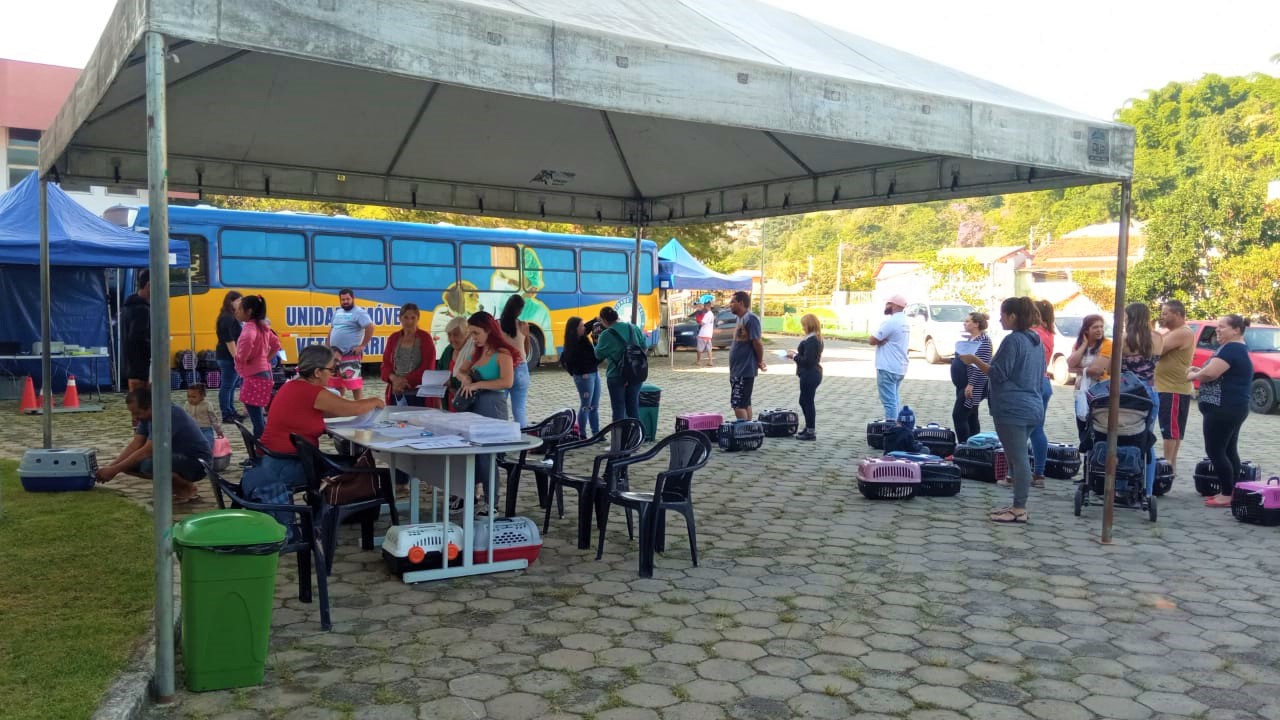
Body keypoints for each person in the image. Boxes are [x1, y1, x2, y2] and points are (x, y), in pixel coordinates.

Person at [242, 345, 385, 525]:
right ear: (317, 372)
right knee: (356, 467)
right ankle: (337, 515)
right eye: (331, 369)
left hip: (274, 458)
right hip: (286, 464)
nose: (333, 374)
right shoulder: (312, 392)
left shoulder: (292, 385)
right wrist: (375, 401)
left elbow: (323, 412)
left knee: (350, 463)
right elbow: (350, 408)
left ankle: (334, 513)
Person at [960, 297, 1045, 524]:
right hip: (1033, 405)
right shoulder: (1035, 340)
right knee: (1016, 456)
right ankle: (1017, 503)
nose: (1000, 319)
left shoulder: (1013, 340)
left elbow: (998, 373)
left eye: (1003, 315)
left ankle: (1019, 508)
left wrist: (974, 360)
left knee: (1018, 459)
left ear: (1013, 316)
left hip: (1012, 408)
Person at [453, 311, 521, 514]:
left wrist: (478, 384)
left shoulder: (503, 353)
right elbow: (460, 370)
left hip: (493, 408)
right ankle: (469, 495)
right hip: (474, 407)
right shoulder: (477, 351)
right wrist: (465, 378)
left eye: (476, 333)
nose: (473, 338)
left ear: (489, 330)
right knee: (472, 454)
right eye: (471, 333)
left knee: (487, 458)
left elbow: (507, 382)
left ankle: (492, 504)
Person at [96, 388, 211, 504]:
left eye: (137, 413)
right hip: (175, 457)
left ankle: (185, 488)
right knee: (128, 465)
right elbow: (136, 443)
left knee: (149, 464)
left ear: (151, 407)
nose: (135, 417)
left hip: (197, 462)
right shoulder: (147, 417)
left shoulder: (168, 414)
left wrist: (114, 470)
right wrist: (111, 467)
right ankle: (177, 485)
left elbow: (148, 450)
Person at [1188, 315, 1254, 509]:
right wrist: (1200, 370)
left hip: (1223, 408)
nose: (1217, 330)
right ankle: (1231, 491)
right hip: (1232, 407)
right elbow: (1217, 371)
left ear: (1236, 330)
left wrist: (1193, 375)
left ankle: (1226, 494)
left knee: (1215, 450)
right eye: (1217, 327)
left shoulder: (1232, 348)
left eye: (1222, 327)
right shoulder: (1235, 348)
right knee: (1228, 450)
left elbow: (1211, 373)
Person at [1121, 302, 1164, 493]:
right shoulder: (1158, 338)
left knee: (1122, 438)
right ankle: (1147, 490)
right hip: (1150, 393)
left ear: (1130, 317)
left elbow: (1114, 369)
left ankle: (1121, 486)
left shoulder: (1124, 339)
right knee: (1146, 440)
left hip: (1128, 394)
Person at [1155, 300, 1194, 473]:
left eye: (1165, 313)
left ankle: (1167, 465)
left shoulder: (1182, 332)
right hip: (1170, 388)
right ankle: (1171, 465)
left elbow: (1156, 349)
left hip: (1172, 389)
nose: (1162, 317)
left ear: (1177, 314)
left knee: (1170, 431)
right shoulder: (1173, 332)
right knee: (1174, 430)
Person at [234, 295, 281, 438]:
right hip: (264, 373)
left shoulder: (249, 328)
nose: (236, 312)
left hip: (253, 376)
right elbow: (276, 345)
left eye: (239, 309)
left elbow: (246, 344)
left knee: (256, 418)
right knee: (258, 415)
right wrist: (266, 359)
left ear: (248, 311)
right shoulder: (263, 327)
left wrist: (242, 358)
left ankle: (262, 446)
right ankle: (265, 442)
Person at [594, 306, 649, 422]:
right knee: (633, 408)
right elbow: (644, 348)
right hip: (636, 374)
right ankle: (635, 432)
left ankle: (619, 433)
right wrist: (633, 362)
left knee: (618, 409)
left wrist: (596, 339)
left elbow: (598, 355)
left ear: (604, 320)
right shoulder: (633, 328)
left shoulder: (606, 335)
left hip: (616, 375)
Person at [1067, 314, 1111, 448]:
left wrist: (1078, 369)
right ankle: (1087, 456)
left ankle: (1096, 456)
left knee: (1097, 431)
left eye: (1101, 327)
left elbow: (1097, 370)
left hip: (1100, 393)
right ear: (1086, 330)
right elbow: (1070, 364)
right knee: (1083, 430)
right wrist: (1084, 345)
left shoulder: (1107, 344)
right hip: (1081, 393)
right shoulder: (1079, 344)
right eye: (1095, 327)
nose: (1099, 330)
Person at [381, 302, 436, 408]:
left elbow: (428, 367)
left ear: (418, 318)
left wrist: (403, 382)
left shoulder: (425, 338)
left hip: (418, 393)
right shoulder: (393, 338)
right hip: (395, 392)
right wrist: (393, 379)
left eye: (413, 318)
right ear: (400, 318)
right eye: (405, 317)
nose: (409, 321)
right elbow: (385, 365)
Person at [1028, 300, 1057, 489]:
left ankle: (1013, 474)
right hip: (1045, 382)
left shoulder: (1033, 334)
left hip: (1033, 383)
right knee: (1037, 429)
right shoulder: (1049, 333)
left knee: (1021, 430)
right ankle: (1039, 472)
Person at [951, 312, 992, 443]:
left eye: (968, 321)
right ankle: (974, 444)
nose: (965, 323)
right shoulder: (972, 339)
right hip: (963, 383)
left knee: (959, 415)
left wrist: (971, 384)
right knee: (971, 416)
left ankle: (964, 445)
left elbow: (980, 366)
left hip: (972, 385)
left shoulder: (983, 341)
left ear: (976, 324)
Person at [328, 288, 375, 400]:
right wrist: (328, 348)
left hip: (350, 355)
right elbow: (332, 330)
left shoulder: (359, 312)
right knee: (335, 384)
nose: (345, 301)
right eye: (343, 299)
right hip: (335, 355)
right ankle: (337, 407)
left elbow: (370, 327)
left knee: (354, 385)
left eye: (347, 299)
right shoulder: (337, 312)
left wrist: (362, 345)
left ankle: (360, 408)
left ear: (353, 298)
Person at [868, 294, 909, 421]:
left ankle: (892, 427)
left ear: (895, 306)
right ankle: (898, 424)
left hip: (887, 366)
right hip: (900, 366)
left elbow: (872, 340)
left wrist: (879, 340)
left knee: (889, 402)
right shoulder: (904, 321)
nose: (886, 306)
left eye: (888, 303)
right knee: (894, 399)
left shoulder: (891, 322)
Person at [561, 316, 603, 436]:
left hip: (594, 373)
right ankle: (582, 434)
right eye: (581, 326)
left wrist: (595, 320)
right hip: (585, 376)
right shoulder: (573, 345)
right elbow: (566, 361)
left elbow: (587, 327)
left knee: (594, 406)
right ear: (574, 329)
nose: (584, 328)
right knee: (586, 406)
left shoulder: (583, 338)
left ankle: (596, 433)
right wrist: (577, 373)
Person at [727, 290, 765, 420]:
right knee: (745, 403)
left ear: (741, 303)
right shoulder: (739, 318)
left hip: (744, 369)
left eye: (732, 302)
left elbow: (757, 342)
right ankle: (749, 429)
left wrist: (760, 361)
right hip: (737, 369)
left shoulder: (751, 319)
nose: (730, 304)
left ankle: (743, 429)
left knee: (738, 404)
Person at [785, 313, 823, 441]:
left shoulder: (812, 340)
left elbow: (808, 361)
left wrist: (794, 356)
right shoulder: (814, 338)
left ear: (809, 325)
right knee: (804, 401)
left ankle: (811, 430)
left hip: (810, 374)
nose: (802, 327)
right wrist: (796, 355)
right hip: (810, 373)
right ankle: (808, 427)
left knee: (807, 401)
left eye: (804, 325)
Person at [499, 295, 533, 427]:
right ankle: (523, 436)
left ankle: (502, 435)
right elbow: (527, 349)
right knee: (519, 410)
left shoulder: (498, 325)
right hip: (521, 368)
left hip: (503, 369)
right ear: (519, 310)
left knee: (500, 408)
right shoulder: (524, 325)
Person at [214, 290, 244, 421]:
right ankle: (226, 413)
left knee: (231, 385)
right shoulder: (227, 318)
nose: (240, 303)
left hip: (227, 356)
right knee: (227, 385)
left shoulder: (229, 317)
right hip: (228, 357)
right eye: (238, 301)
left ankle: (231, 410)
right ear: (230, 302)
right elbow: (229, 340)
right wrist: (237, 358)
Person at [121, 269, 151, 391]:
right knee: (143, 400)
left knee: (136, 400)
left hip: (130, 368)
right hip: (141, 369)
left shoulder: (128, 306)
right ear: (149, 285)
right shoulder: (142, 309)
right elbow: (138, 338)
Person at [438, 316, 473, 412]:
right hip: (448, 402)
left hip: (466, 405)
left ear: (467, 334)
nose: (452, 339)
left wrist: (452, 383)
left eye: (456, 335)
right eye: (449, 335)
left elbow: (472, 378)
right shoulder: (449, 349)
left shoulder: (472, 352)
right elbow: (439, 369)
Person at [695, 296, 716, 367]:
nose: (703, 307)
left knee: (699, 349)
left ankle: (698, 361)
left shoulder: (707, 314)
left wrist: (698, 320)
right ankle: (710, 361)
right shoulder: (712, 314)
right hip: (709, 334)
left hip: (703, 334)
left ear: (706, 306)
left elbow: (702, 323)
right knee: (709, 349)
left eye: (704, 306)